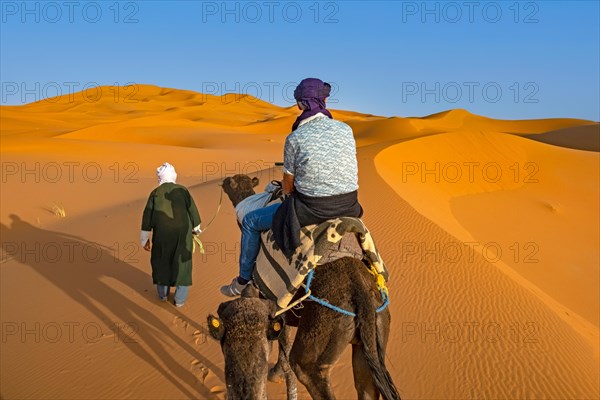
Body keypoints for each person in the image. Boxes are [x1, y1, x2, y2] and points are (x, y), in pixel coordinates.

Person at [220, 78, 362, 297]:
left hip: (312, 209)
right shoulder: (346, 129)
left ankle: (242, 281)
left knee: (250, 222)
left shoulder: (295, 137)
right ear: (324, 100)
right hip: (350, 206)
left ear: (300, 104)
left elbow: (288, 184)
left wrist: (291, 194)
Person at [141, 162, 201, 307]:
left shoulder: (155, 193)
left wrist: (144, 239)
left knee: (162, 263)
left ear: (160, 177)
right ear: (173, 175)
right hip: (183, 236)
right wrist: (196, 228)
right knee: (183, 266)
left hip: (162, 236)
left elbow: (147, 216)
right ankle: (179, 301)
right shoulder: (183, 190)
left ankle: (163, 295)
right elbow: (193, 211)